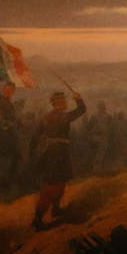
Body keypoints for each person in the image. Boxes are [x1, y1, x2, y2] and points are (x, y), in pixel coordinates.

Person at [29, 88, 86, 230]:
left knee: (61, 183)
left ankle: (56, 209)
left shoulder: (45, 117)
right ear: (58, 103)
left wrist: (33, 153)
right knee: (52, 186)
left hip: (54, 153)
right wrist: (78, 99)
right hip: (57, 154)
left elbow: (35, 138)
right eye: (64, 100)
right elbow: (81, 110)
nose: (66, 102)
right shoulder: (63, 116)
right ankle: (37, 220)